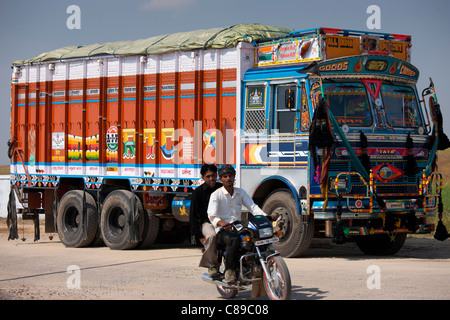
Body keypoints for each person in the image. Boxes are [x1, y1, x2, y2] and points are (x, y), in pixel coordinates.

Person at [207, 164, 273, 283]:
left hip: (238, 227)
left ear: (234, 176)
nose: (228, 179)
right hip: (223, 231)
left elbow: (252, 207)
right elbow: (212, 215)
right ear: (220, 179)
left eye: (230, 176)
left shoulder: (240, 192)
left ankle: (253, 264)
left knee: (255, 237)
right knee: (234, 240)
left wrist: (266, 216)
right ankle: (229, 270)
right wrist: (222, 223)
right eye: (225, 176)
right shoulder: (216, 195)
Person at [189, 163, 222, 279]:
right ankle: (211, 266)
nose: (211, 179)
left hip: (222, 222)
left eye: (213, 175)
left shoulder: (221, 189)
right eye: (208, 176)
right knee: (212, 236)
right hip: (207, 223)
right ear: (203, 177)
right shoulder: (197, 193)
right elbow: (193, 216)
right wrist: (200, 237)